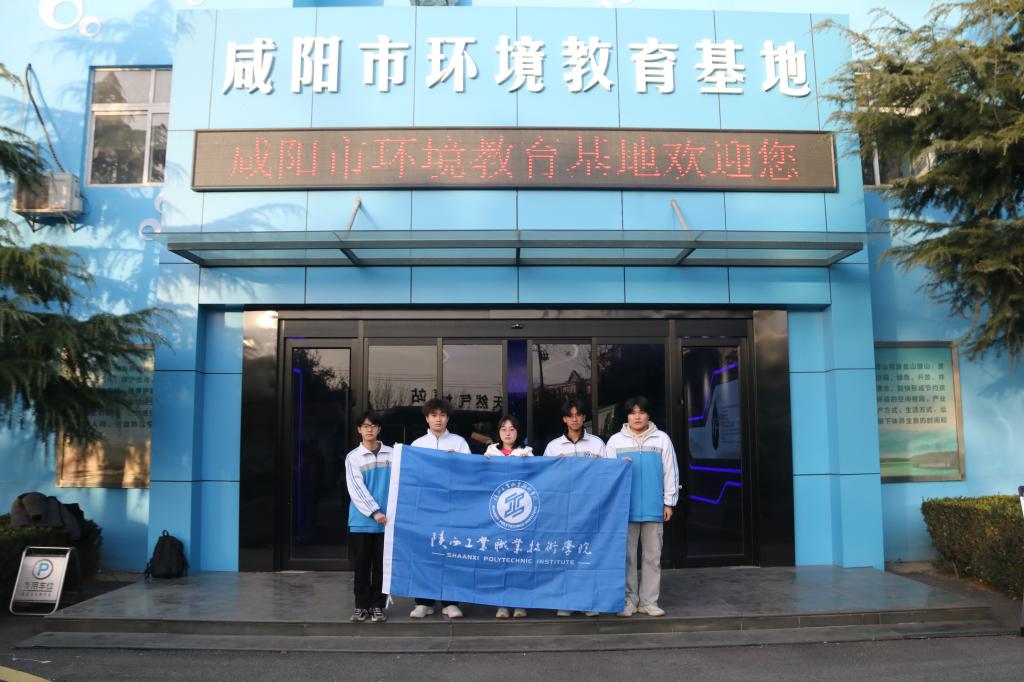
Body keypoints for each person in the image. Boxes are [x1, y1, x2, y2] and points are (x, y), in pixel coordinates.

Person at [604, 396, 679, 618]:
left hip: (654, 508)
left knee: (652, 558)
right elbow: (607, 475)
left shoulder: (662, 439)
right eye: (632, 412)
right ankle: (629, 601)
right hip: (624, 510)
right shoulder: (615, 441)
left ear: (648, 415)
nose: (637, 417)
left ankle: (649, 602)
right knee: (626, 558)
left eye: (641, 412)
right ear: (627, 416)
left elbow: (670, 471)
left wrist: (669, 502)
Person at [542, 398, 606, 617]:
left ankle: (589, 601)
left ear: (584, 417)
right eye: (570, 416)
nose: (575, 419)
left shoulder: (597, 444)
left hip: (591, 509)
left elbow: (609, 474)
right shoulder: (553, 446)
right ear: (564, 419)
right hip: (564, 511)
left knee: (588, 555)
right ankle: (566, 601)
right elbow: (545, 479)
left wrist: (604, 465)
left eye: (578, 415)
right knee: (565, 555)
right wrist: (555, 467)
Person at [408, 397, 470, 619]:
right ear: (427, 418)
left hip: (451, 509)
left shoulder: (459, 443)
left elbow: (470, 475)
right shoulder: (417, 445)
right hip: (425, 509)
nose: (438, 419)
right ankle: (423, 602)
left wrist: (458, 462)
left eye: (442, 415)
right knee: (424, 553)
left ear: (448, 418)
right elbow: (411, 476)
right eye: (434, 415)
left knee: (450, 553)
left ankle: (450, 602)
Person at [344, 411, 394, 624]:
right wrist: (375, 512)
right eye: (365, 426)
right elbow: (356, 488)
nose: (369, 429)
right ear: (359, 430)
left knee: (382, 566)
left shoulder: (393, 454)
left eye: (373, 426)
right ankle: (361, 606)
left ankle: (378, 606)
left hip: (387, 522)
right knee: (362, 566)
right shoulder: (353, 457)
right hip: (362, 522)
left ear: (379, 429)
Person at [483, 415, 533, 619]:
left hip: (521, 515)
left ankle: (520, 603)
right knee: (499, 560)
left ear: (518, 432)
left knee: (520, 559)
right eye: (504, 429)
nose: (508, 433)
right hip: (495, 515)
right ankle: (501, 604)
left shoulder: (527, 453)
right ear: (498, 432)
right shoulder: (490, 453)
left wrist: (528, 464)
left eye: (512, 429)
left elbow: (538, 478)